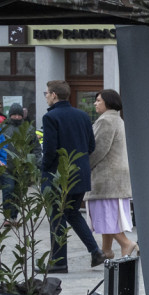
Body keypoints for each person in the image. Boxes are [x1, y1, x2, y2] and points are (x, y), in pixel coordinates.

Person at [40, 80, 104, 272]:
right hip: (80, 175)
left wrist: (43, 169)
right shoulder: (83, 116)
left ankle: (59, 262)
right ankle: (95, 251)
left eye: (47, 93)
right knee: (73, 213)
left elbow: (50, 150)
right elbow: (91, 146)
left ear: (53, 95)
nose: (46, 96)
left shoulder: (50, 117)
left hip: (59, 177)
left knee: (57, 217)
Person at [84, 89, 137, 260]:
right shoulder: (116, 119)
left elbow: (98, 149)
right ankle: (106, 250)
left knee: (105, 215)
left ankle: (126, 243)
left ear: (108, 102)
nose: (95, 103)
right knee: (108, 216)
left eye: (98, 100)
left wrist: (85, 167)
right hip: (113, 177)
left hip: (106, 178)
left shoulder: (106, 120)